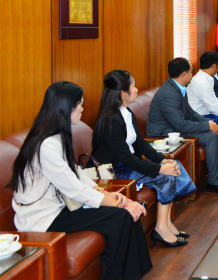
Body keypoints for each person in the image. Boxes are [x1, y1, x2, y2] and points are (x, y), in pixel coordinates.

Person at [9, 82, 151, 280]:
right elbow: (74, 189)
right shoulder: (47, 145)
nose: (82, 109)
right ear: (67, 108)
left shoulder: (55, 135)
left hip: (58, 209)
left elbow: (76, 172)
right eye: (79, 104)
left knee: (122, 217)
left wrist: (104, 193)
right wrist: (121, 203)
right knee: (121, 215)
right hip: (43, 220)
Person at [92, 69, 196, 248]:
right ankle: (160, 229)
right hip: (114, 172)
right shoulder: (110, 120)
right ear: (123, 93)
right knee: (165, 176)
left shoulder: (127, 113)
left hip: (126, 165)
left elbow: (141, 144)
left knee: (174, 165)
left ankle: (166, 224)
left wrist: (162, 161)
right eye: (133, 86)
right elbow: (127, 159)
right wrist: (160, 169)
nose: (136, 90)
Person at [146, 58, 218, 194]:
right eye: (191, 72)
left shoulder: (178, 87)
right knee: (210, 136)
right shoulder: (168, 94)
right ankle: (214, 182)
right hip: (164, 134)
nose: (193, 75)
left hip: (175, 128)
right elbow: (180, 124)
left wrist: (209, 123)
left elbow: (190, 113)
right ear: (184, 74)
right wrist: (207, 126)